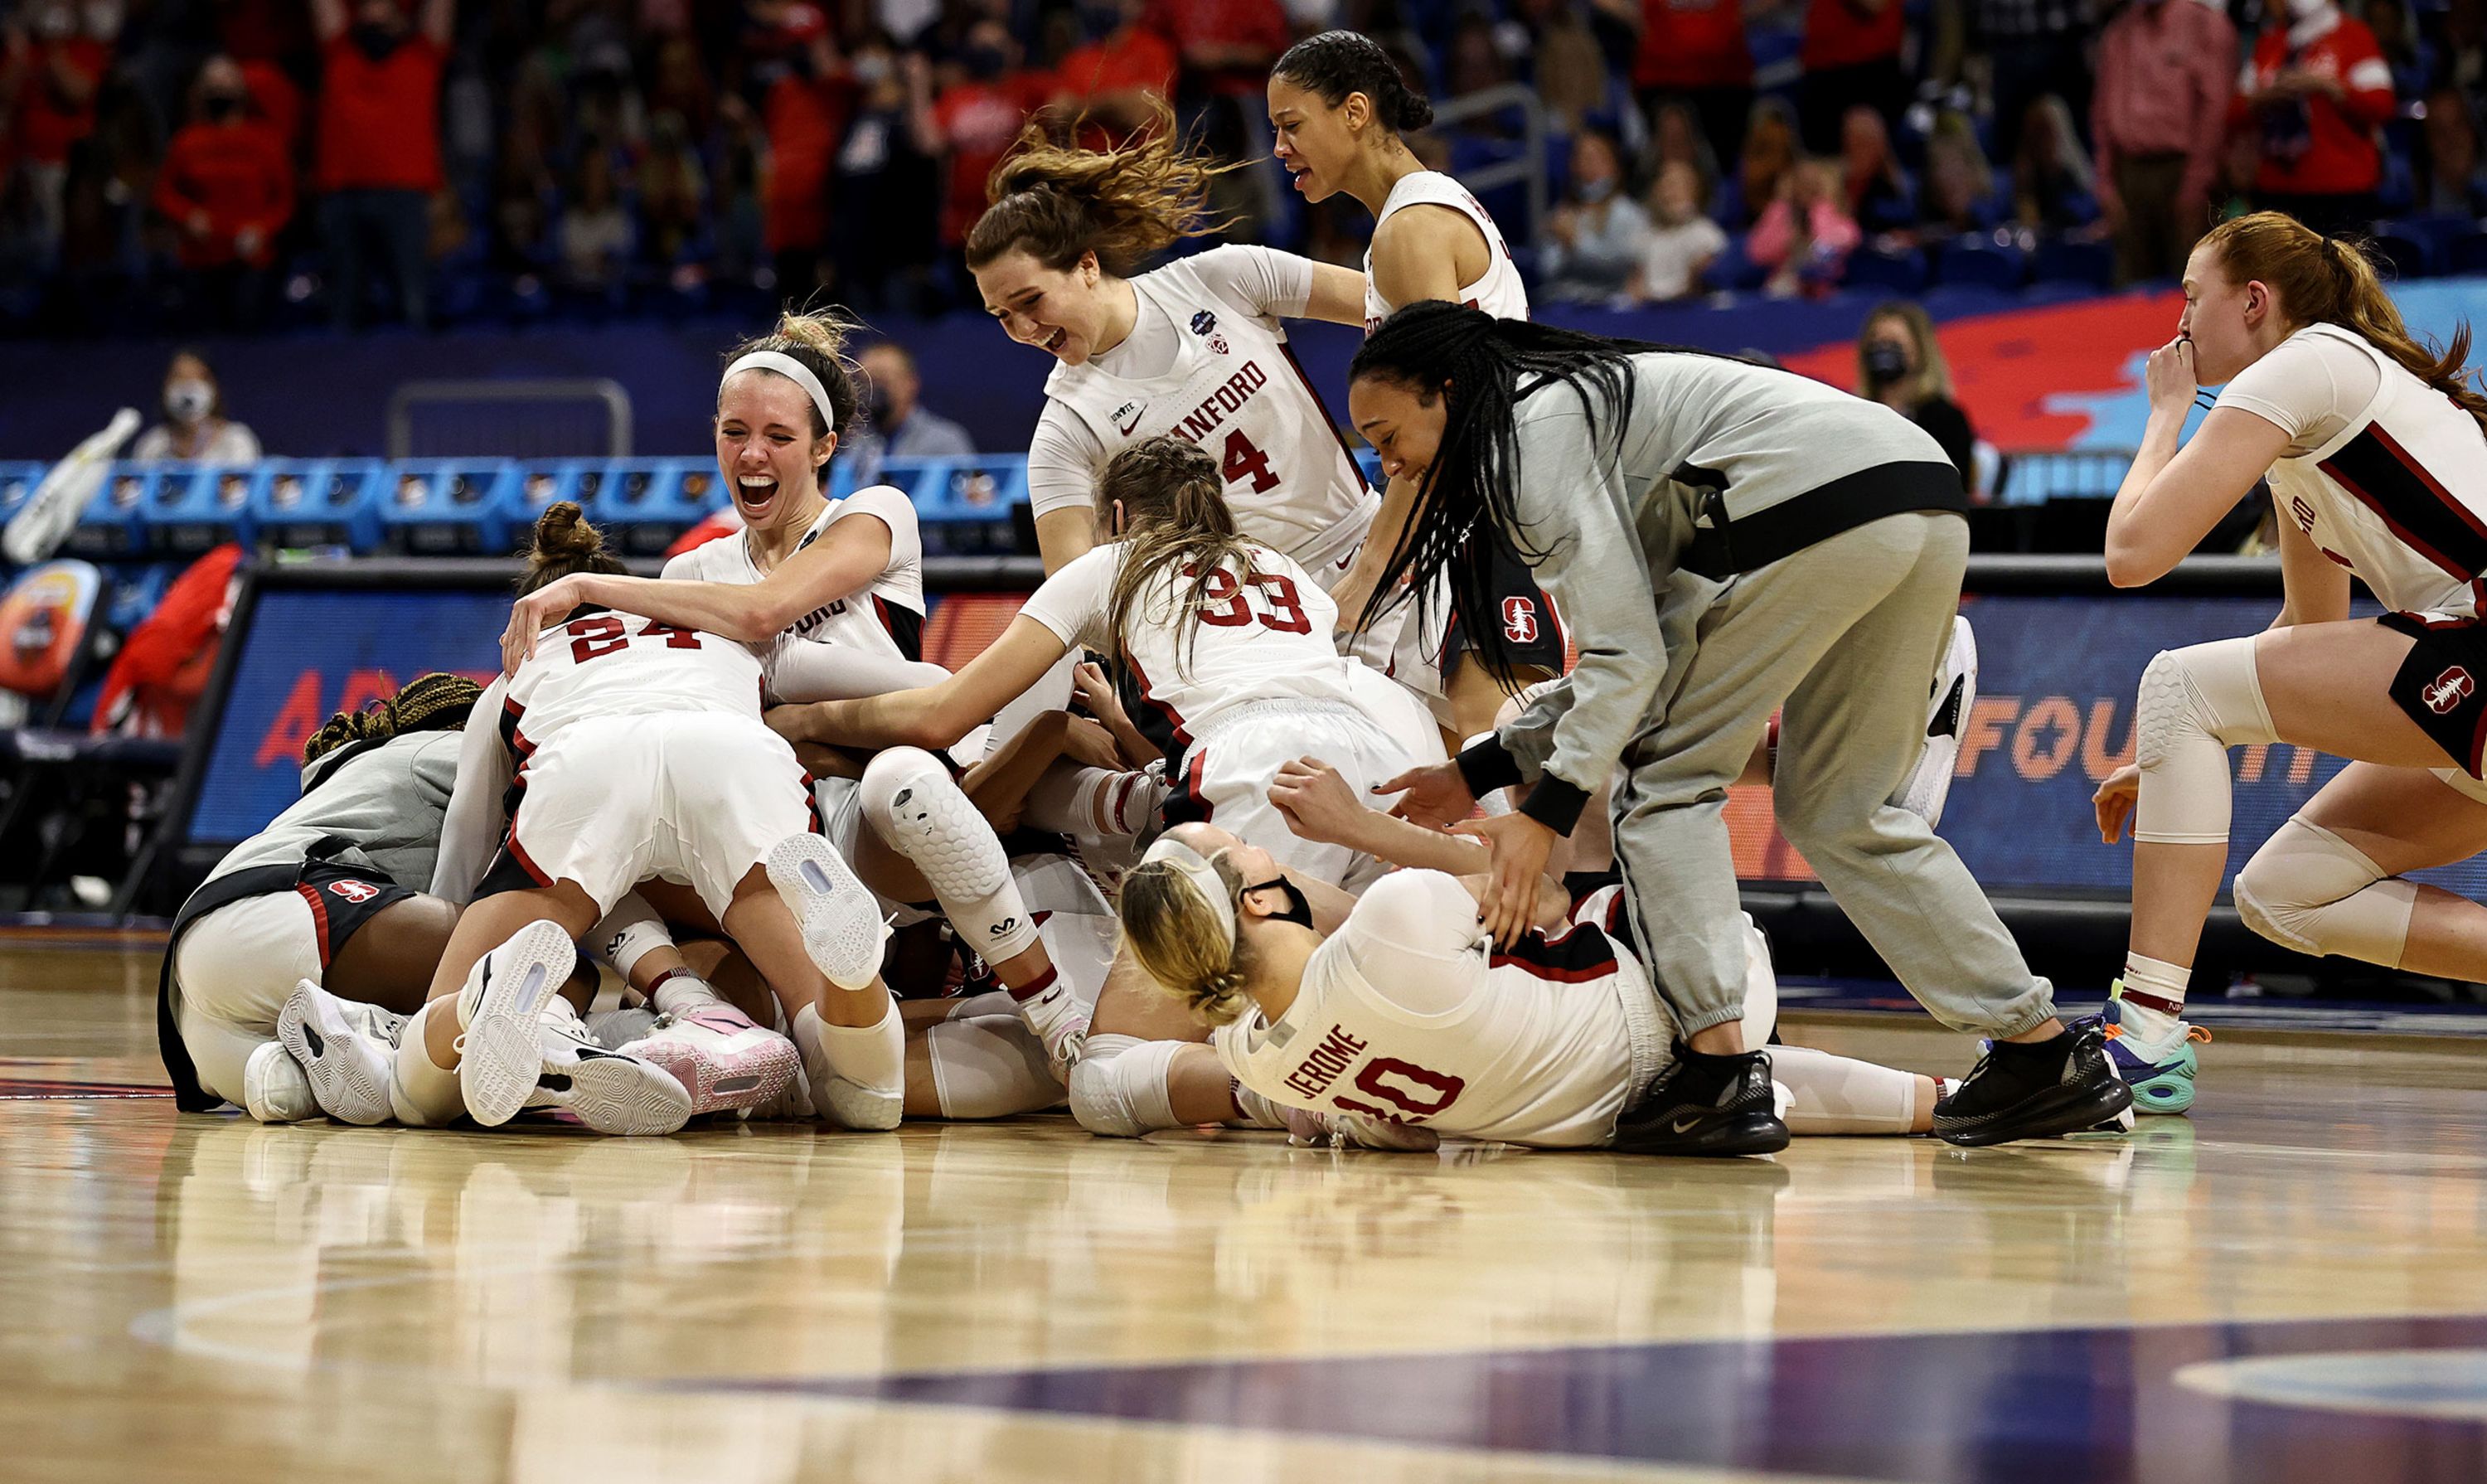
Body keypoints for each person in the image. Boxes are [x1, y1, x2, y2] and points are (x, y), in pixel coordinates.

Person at [1345, 302, 2130, 1152]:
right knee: (1840, 811)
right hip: (1923, 493)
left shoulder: (1529, 439)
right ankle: (2041, 1053)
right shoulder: (1605, 426)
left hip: (1819, 510)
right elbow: (1647, 652)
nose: (1390, 466)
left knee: (1664, 784)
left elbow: (1625, 666)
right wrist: (1483, 767)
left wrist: (1545, 815)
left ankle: (1718, 1069)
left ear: (1448, 393)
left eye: (1389, 436)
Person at [2090, 213, 2487, 1118]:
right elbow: (2308, 633)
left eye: (2193, 296)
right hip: (2461, 664)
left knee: (2177, 681)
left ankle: (2143, 1035)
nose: (2179, 321)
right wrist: (2169, 755)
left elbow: (2132, 553)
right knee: (2282, 896)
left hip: (2474, 648)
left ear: (2254, 301)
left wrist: (2161, 419)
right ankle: (2146, 1035)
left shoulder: (2307, 366)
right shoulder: (2305, 425)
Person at [404, 502, 899, 1136]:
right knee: (859, 1086)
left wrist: (466, 933)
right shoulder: (729, 634)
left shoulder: (519, 668)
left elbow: (464, 853)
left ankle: (480, 1003)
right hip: (735, 761)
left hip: (589, 764)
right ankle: (849, 991)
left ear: (532, 615)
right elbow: (909, 685)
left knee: (427, 1087)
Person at [1120, 832, 1951, 1151]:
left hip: (1603, 1122)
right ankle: (1885, 809)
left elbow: (1395, 1127)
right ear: (1260, 899)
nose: (1257, 842)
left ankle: (1951, 1098)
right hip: (1692, 1001)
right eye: (1238, 844)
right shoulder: (1395, 917)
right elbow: (1542, 890)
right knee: (1590, 781)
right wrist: (1364, 831)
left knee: (1770, 1079)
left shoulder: (1253, 1057)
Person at [1267, 30, 1571, 740]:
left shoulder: (1412, 229)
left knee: (1514, 750)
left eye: (1291, 125)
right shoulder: (1405, 225)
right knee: (1456, 761)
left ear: (1354, 112)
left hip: (1488, 510)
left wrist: (1370, 569)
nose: (1280, 149)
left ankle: (1785, 761)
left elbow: (1436, 412)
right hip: (1461, 515)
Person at [967, 101, 1372, 584]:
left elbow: (1390, 305)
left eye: (1030, 300)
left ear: (1087, 266)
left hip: (1371, 548)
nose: (1023, 329)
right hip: (1256, 620)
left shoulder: (1224, 279)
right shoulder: (1065, 432)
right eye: (1002, 316)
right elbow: (1070, 599)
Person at [157, 675, 473, 1124]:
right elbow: (562, 792)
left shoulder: (349, 775)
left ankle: (371, 1043)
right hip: (286, 910)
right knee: (555, 972)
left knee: (292, 1086)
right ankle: (386, 1031)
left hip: (196, 994)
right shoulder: (440, 746)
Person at [310, 0, 451, 329]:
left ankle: (415, 371)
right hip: (343, 191)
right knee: (344, 305)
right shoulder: (341, 50)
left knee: (412, 301)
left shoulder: (423, 53)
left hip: (405, 193)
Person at [2093, 0, 2237, 285]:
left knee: (2193, 289)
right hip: (2129, 174)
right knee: (2128, 288)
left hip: (2184, 171)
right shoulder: (2119, 33)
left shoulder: (2206, 26)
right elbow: (2102, 112)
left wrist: (2197, 182)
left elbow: (2215, 111)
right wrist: (2105, 182)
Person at [151, 54, 293, 329]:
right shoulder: (187, 142)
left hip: (249, 256)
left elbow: (285, 199)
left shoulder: (266, 140)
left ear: (241, 89)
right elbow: (165, 192)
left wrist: (262, 228)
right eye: (213, 83)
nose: (220, 90)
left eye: (226, 81)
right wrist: (188, 215)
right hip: (201, 257)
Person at [2236, 0, 2395, 236]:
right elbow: (2234, 112)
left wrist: (2329, 88)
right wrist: (2265, 98)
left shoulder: (2354, 36)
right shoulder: (2271, 42)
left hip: (2342, 189)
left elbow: (2382, 106)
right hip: (2277, 189)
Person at [1855, 302, 1976, 483]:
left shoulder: (1946, 419)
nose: (1883, 350)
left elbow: (1957, 485)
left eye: (1894, 343)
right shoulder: (1856, 415)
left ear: (1919, 351)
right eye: (1876, 342)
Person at [1539, 129, 1655, 305]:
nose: (1589, 164)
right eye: (1583, 158)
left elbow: (1622, 265)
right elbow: (1547, 268)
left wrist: (1575, 242)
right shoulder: (1564, 212)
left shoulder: (1627, 212)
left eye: (1597, 158)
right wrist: (1562, 246)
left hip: (1607, 305)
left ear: (1614, 165)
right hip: (1563, 302)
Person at [845, 341, 976, 483]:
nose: (873, 391)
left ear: (910, 383)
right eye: (865, 381)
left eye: (882, 381)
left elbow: (968, 497)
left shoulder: (945, 441)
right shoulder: (855, 443)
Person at [1748, 158, 1859, 297]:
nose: (1806, 188)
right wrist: (1788, 237)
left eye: (1811, 183)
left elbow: (1851, 238)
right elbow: (1756, 252)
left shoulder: (1830, 210)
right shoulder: (1779, 211)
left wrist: (1816, 215)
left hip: (1824, 288)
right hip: (1784, 284)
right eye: (1801, 183)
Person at [128, 348, 262, 463]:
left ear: (214, 388)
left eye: (197, 378)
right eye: (179, 378)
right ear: (165, 387)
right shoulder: (152, 445)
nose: (188, 387)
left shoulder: (237, 441)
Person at [1635, 161, 1728, 303]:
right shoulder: (1647, 236)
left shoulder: (1706, 232)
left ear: (1696, 192)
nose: (1673, 193)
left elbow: (1699, 282)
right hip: (1649, 310)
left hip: (1689, 310)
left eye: (1682, 186)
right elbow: (1636, 282)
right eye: (1668, 186)